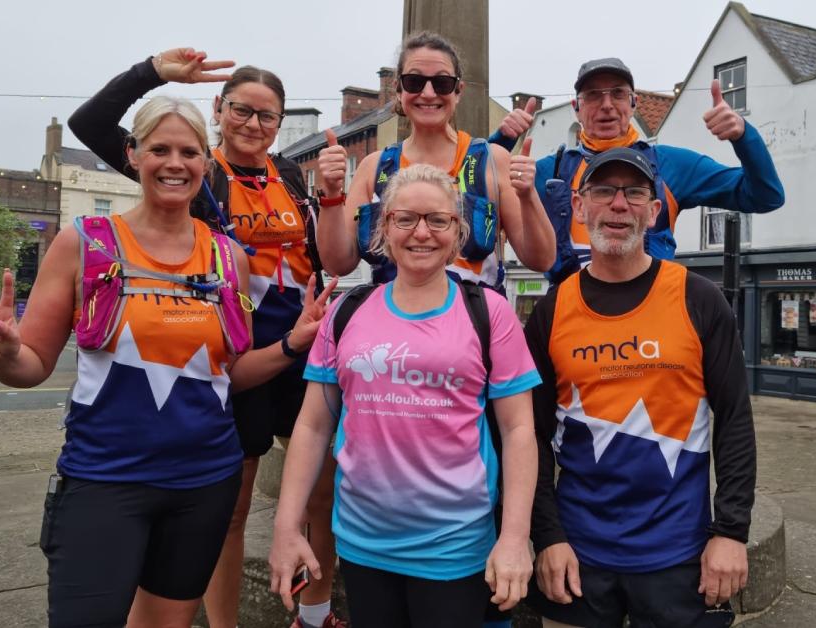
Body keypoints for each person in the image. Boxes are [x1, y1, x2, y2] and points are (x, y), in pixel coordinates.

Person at [0, 95, 336, 627]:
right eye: (159, 148)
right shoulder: (84, 244)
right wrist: (2, 353)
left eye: (188, 151)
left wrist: (292, 344)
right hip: (105, 480)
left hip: (204, 481)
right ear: (134, 155)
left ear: (204, 164)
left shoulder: (227, 256)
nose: (174, 163)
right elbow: (31, 367)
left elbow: (227, 376)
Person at [68, 49, 344, 628]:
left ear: (280, 124)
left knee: (323, 497)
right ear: (220, 109)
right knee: (232, 513)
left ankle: (315, 616)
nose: (253, 124)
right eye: (242, 110)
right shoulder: (192, 168)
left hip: (301, 355)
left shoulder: (290, 175)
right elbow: (90, 125)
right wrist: (152, 73)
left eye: (268, 116)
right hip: (231, 364)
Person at [269, 164, 540, 628]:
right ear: (384, 228)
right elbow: (314, 425)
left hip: (454, 547)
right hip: (363, 543)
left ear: (457, 232)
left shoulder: (488, 313)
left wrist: (515, 536)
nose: (422, 233)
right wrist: (285, 526)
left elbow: (518, 431)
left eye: (438, 220)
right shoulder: (347, 311)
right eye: (405, 219)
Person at [522, 148, 756, 627]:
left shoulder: (699, 298)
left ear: (655, 212)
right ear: (581, 208)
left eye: (634, 193)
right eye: (603, 191)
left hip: (680, 555)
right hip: (577, 553)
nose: (618, 205)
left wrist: (731, 532)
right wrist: (546, 536)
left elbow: (734, 420)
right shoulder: (551, 310)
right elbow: (530, 435)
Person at [491, 57, 785, 284]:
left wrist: (744, 135)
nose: (606, 105)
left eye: (617, 94)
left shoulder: (671, 165)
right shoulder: (549, 171)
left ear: (634, 102)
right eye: (593, 95)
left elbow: (765, 196)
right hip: (569, 316)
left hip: (650, 315)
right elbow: (474, 193)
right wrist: (501, 142)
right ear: (576, 108)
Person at [316, 30, 556, 291]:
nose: (428, 93)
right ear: (398, 89)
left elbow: (542, 260)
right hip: (394, 327)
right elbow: (338, 264)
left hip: (473, 325)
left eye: (441, 83)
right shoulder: (374, 168)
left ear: (458, 91)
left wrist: (528, 195)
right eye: (414, 81)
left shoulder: (492, 161)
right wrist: (330, 193)